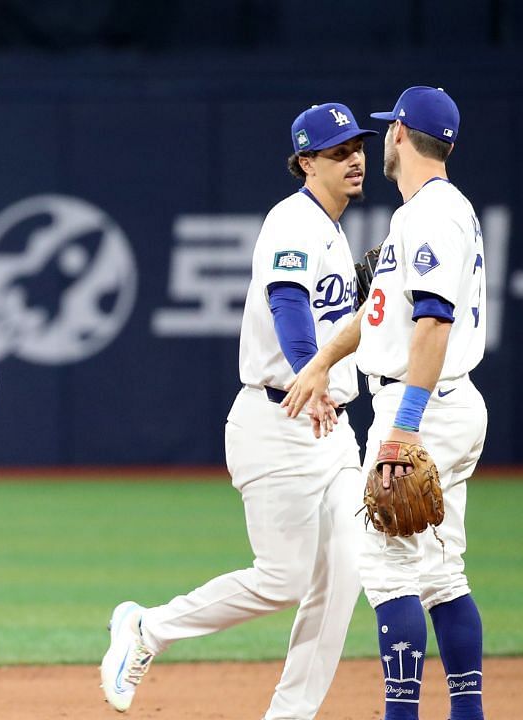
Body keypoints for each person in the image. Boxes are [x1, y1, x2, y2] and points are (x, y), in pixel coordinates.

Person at [99, 103, 376, 718]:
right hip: (279, 420)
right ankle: (148, 628)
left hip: (330, 427)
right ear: (306, 162)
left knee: (346, 576)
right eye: (338, 151)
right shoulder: (292, 220)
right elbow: (287, 305)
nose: (355, 159)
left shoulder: (331, 228)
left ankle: (290, 713)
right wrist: (316, 372)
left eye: (357, 146)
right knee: (284, 580)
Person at [282, 86, 488, 720]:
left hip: (420, 407)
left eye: (384, 133)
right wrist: (320, 362)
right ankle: (467, 713)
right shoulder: (431, 212)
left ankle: (401, 714)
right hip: (444, 404)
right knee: (441, 575)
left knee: (388, 572)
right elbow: (383, 315)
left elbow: (432, 323)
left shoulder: (430, 215)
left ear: (399, 134)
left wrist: (403, 431)